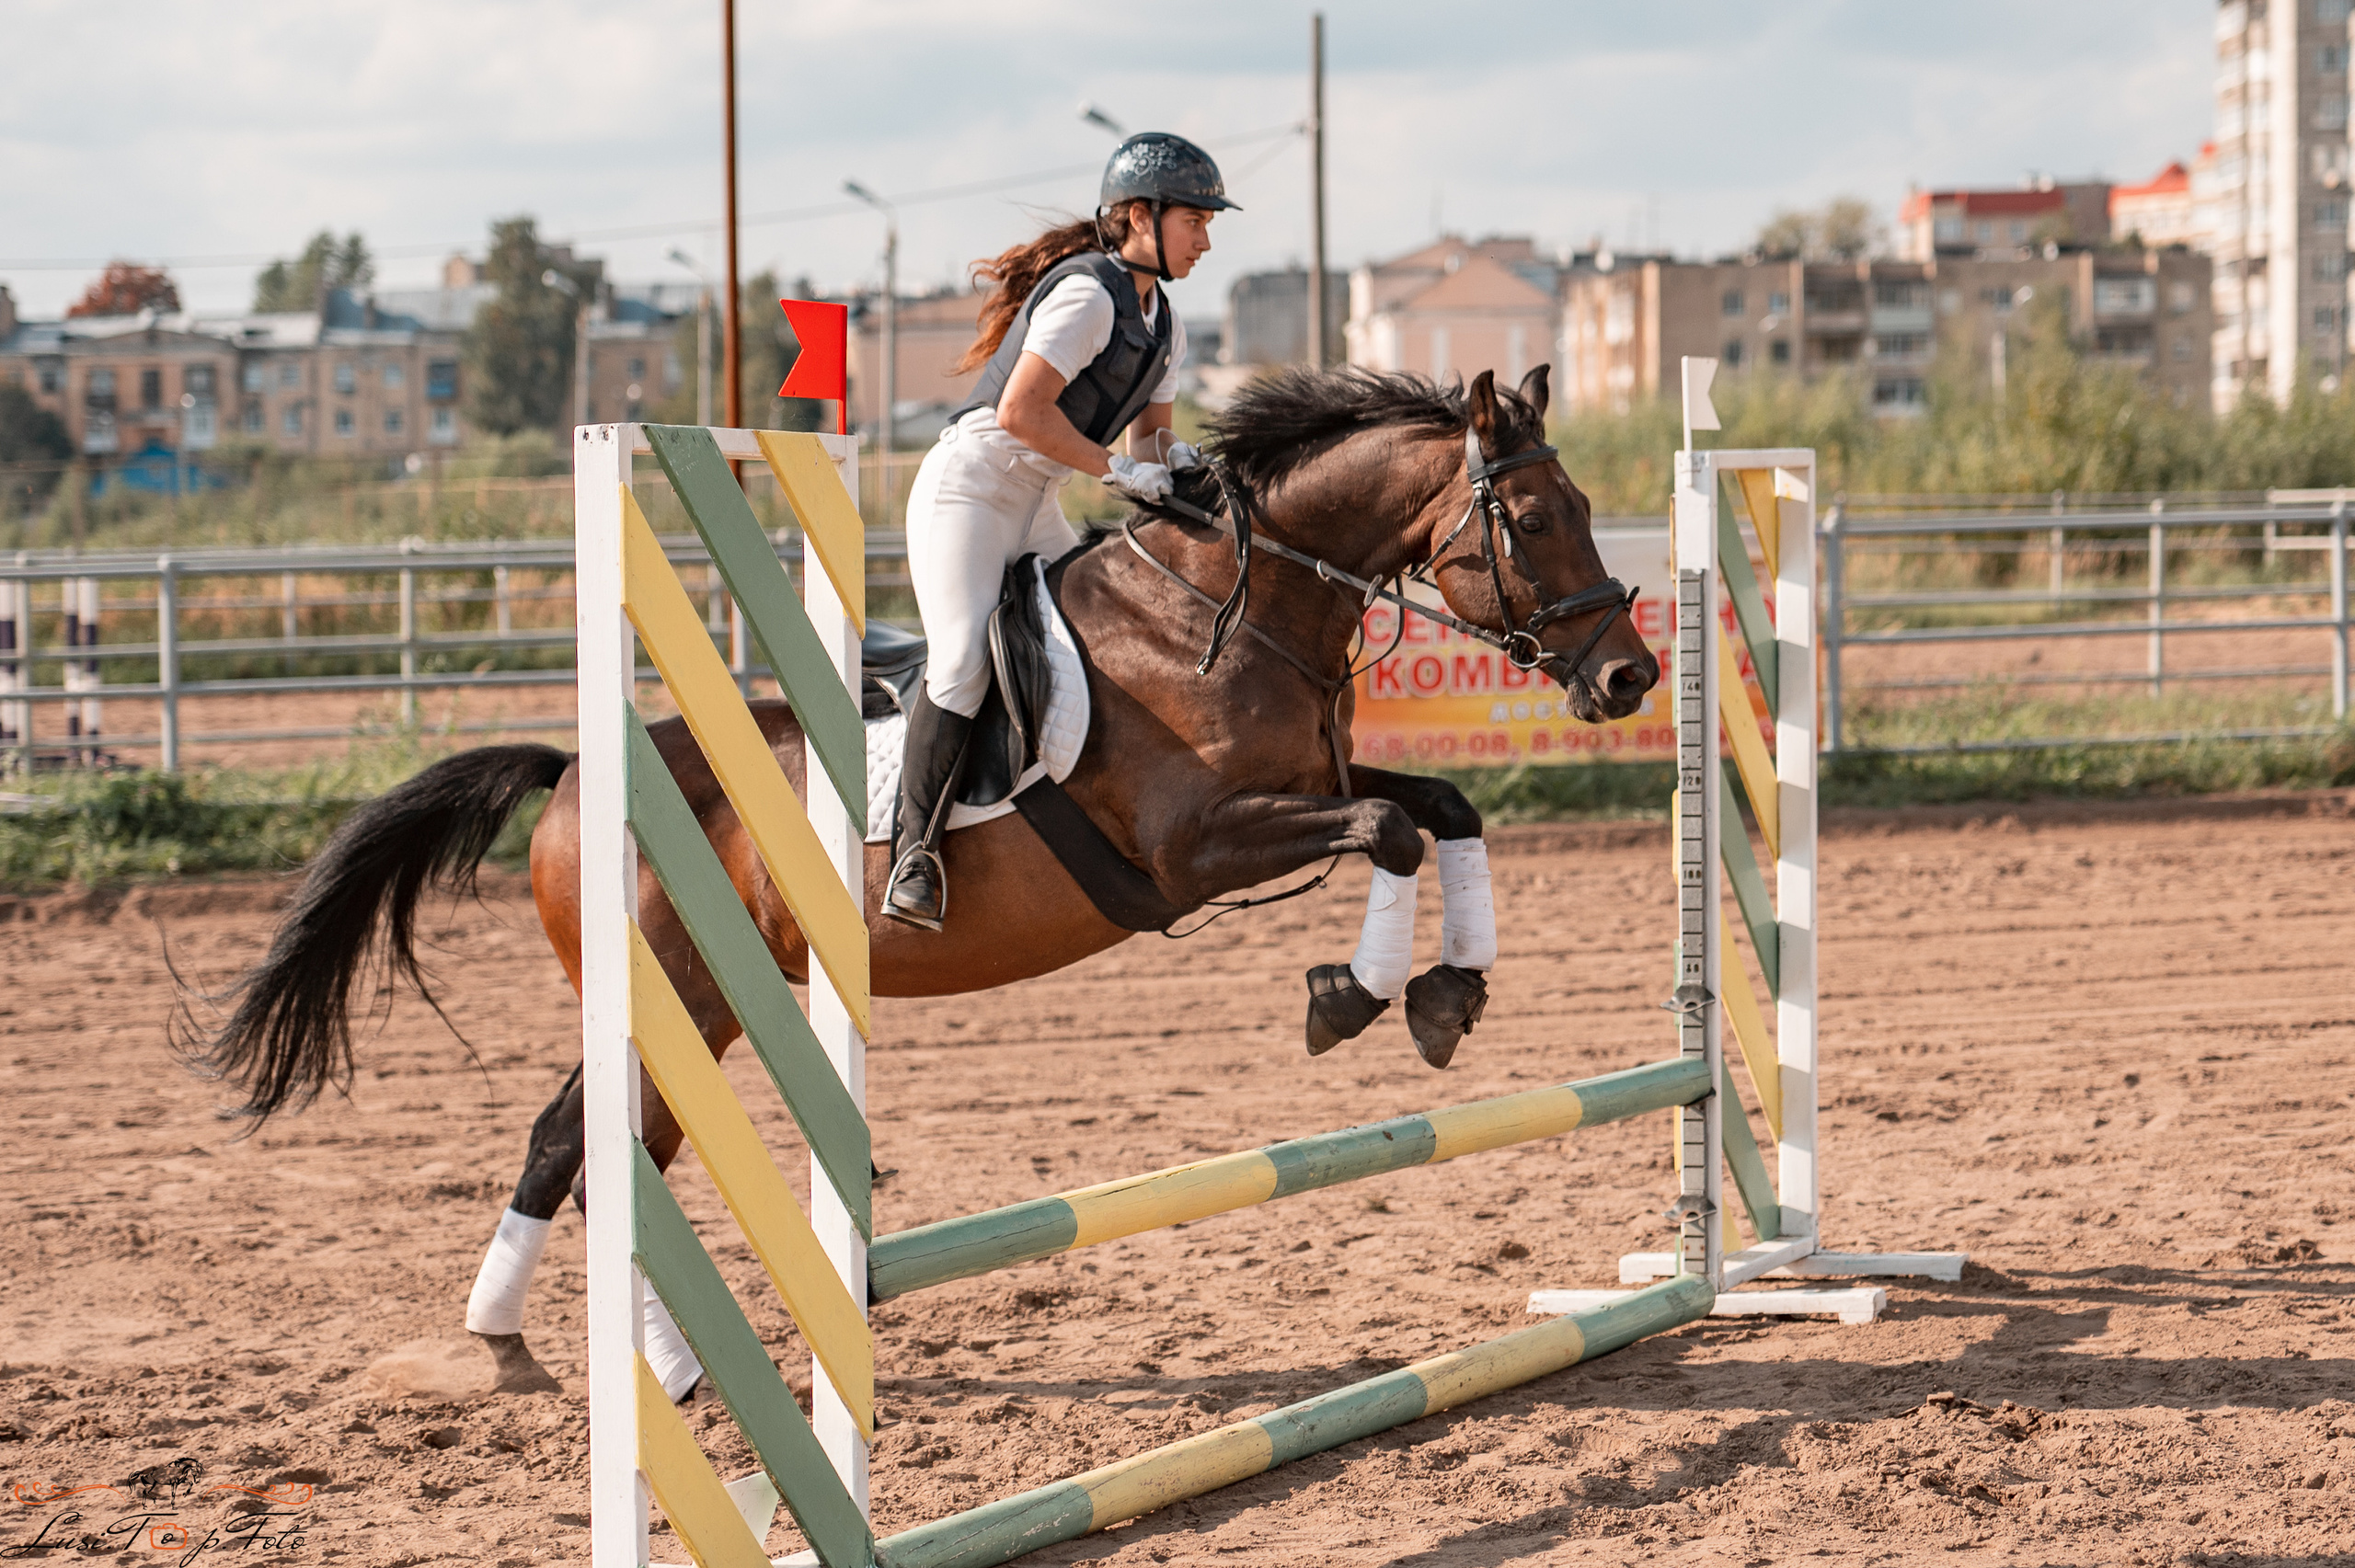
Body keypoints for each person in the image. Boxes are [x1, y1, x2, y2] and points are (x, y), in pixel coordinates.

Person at [884, 132, 1236, 930]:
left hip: (1037, 492)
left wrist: (1177, 462)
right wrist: (1118, 471)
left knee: (1098, 638)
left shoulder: (1166, 322)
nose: (1207, 239)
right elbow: (1020, 412)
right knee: (965, 659)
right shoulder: (1086, 295)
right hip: (971, 488)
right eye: (1197, 221)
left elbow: (1150, 439)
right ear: (1140, 218)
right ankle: (916, 852)